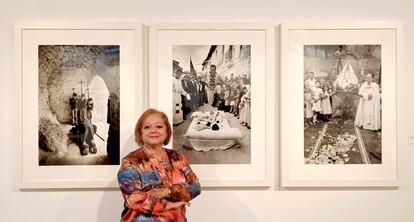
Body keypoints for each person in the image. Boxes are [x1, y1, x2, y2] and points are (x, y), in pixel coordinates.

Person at [118, 109, 201, 222]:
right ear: (140, 132)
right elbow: (134, 199)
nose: (153, 130)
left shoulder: (178, 158)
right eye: (147, 127)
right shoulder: (131, 162)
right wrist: (170, 204)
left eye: (159, 126)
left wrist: (167, 191)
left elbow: (195, 186)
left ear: (167, 131)